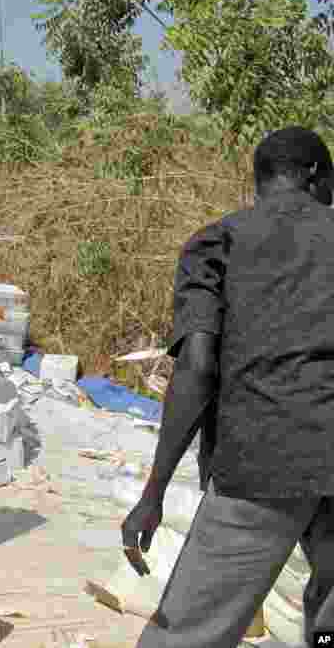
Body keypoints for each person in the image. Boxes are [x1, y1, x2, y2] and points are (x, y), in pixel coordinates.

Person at [122, 126, 334, 647]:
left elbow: (196, 366)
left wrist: (154, 492)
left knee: (188, 634)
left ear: (260, 181)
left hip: (261, 465)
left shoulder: (219, 242)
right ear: (314, 175)